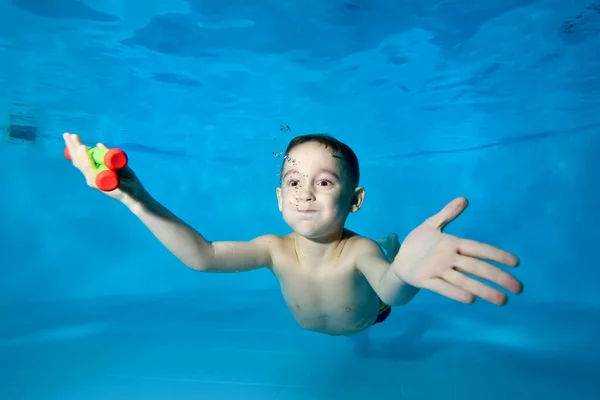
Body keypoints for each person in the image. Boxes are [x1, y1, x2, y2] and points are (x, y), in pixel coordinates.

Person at [62, 132, 522, 336]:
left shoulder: (358, 251)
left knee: (389, 273)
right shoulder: (272, 249)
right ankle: (397, 250)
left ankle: (396, 249)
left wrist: (404, 272)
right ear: (279, 198)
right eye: (294, 182)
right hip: (325, 319)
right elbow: (201, 256)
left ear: (354, 201)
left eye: (324, 182)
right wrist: (135, 198)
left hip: (371, 317)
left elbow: (391, 293)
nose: (305, 193)